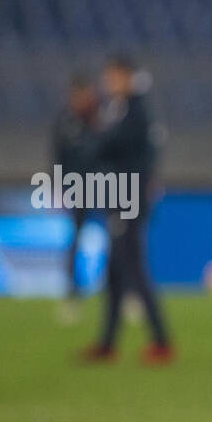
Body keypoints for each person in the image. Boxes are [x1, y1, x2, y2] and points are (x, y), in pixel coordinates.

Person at [82, 55, 173, 364]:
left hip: (127, 201)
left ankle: (162, 341)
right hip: (122, 199)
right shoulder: (127, 110)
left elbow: (106, 146)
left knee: (133, 270)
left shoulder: (133, 112)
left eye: (113, 76)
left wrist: (96, 134)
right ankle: (107, 343)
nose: (108, 82)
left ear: (125, 76)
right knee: (116, 273)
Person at [52, 74, 100, 311]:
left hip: (108, 185)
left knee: (122, 241)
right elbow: (58, 155)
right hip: (77, 186)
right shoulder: (65, 120)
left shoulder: (103, 117)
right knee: (76, 238)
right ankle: (72, 290)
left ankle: (125, 292)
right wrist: (59, 184)